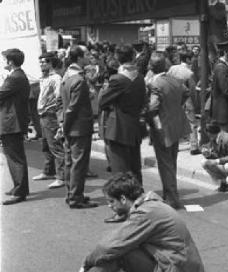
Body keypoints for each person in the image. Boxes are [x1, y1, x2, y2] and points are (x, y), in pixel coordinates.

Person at [35, 172, 205, 272]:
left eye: (111, 202)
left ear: (123, 199)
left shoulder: (146, 213)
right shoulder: (154, 204)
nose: (110, 207)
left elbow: (109, 247)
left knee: (117, 255)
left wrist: (87, 264)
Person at [98, 44, 146, 189]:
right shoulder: (140, 78)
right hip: (134, 126)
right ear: (133, 57)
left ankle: (124, 199)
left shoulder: (117, 79)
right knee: (135, 167)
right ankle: (138, 194)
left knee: (120, 169)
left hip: (118, 128)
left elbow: (102, 101)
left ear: (118, 59)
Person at [147, 53, 191, 209]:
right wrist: (175, 107)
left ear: (151, 67)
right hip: (176, 124)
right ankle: (170, 194)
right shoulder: (173, 80)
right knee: (172, 161)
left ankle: (172, 198)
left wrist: (150, 121)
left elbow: (152, 107)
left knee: (165, 164)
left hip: (162, 127)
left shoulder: (155, 84)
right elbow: (186, 92)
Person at [58, 46, 98, 209]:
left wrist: (63, 126)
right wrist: (65, 127)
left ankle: (73, 194)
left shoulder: (67, 76)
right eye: (86, 54)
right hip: (78, 127)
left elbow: (65, 104)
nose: (89, 57)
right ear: (79, 58)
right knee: (79, 163)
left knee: (70, 162)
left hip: (71, 127)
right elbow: (73, 107)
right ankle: (76, 198)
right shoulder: (79, 80)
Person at [0, 48, 30, 205]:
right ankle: (19, 187)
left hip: (12, 123)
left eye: (5, 59)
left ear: (10, 62)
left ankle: (20, 191)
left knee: (15, 157)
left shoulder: (14, 78)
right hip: (12, 123)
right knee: (14, 156)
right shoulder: (16, 76)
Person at [33, 53, 65, 189]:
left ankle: (62, 177)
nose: (41, 64)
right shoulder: (43, 78)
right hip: (43, 115)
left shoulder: (56, 78)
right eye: (40, 62)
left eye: (44, 62)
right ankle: (48, 171)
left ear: (51, 63)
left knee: (56, 147)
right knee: (46, 145)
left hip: (50, 115)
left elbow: (59, 97)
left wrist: (52, 110)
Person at [168, 50, 200, 155]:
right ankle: (194, 146)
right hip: (187, 100)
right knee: (192, 123)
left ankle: (174, 145)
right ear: (187, 59)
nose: (193, 60)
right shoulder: (188, 72)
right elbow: (192, 90)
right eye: (191, 58)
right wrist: (196, 103)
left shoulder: (172, 69)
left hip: (173, 99)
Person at [200, 121, 228, 191]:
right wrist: (208, 154)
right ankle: (224, 182)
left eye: (208, 133)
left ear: (211, 133)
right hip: (223, 163)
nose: (207, 135)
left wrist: (217, 161)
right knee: (204, 162)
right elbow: (209, 149)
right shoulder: (214, 138)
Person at [207, 0, 228, 65]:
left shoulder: (221, 5)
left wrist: (211, 7)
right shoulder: (208, 7)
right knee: (211, 58)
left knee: (220, 56)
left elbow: (218, 17)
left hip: (219, 36)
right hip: (210, 36)